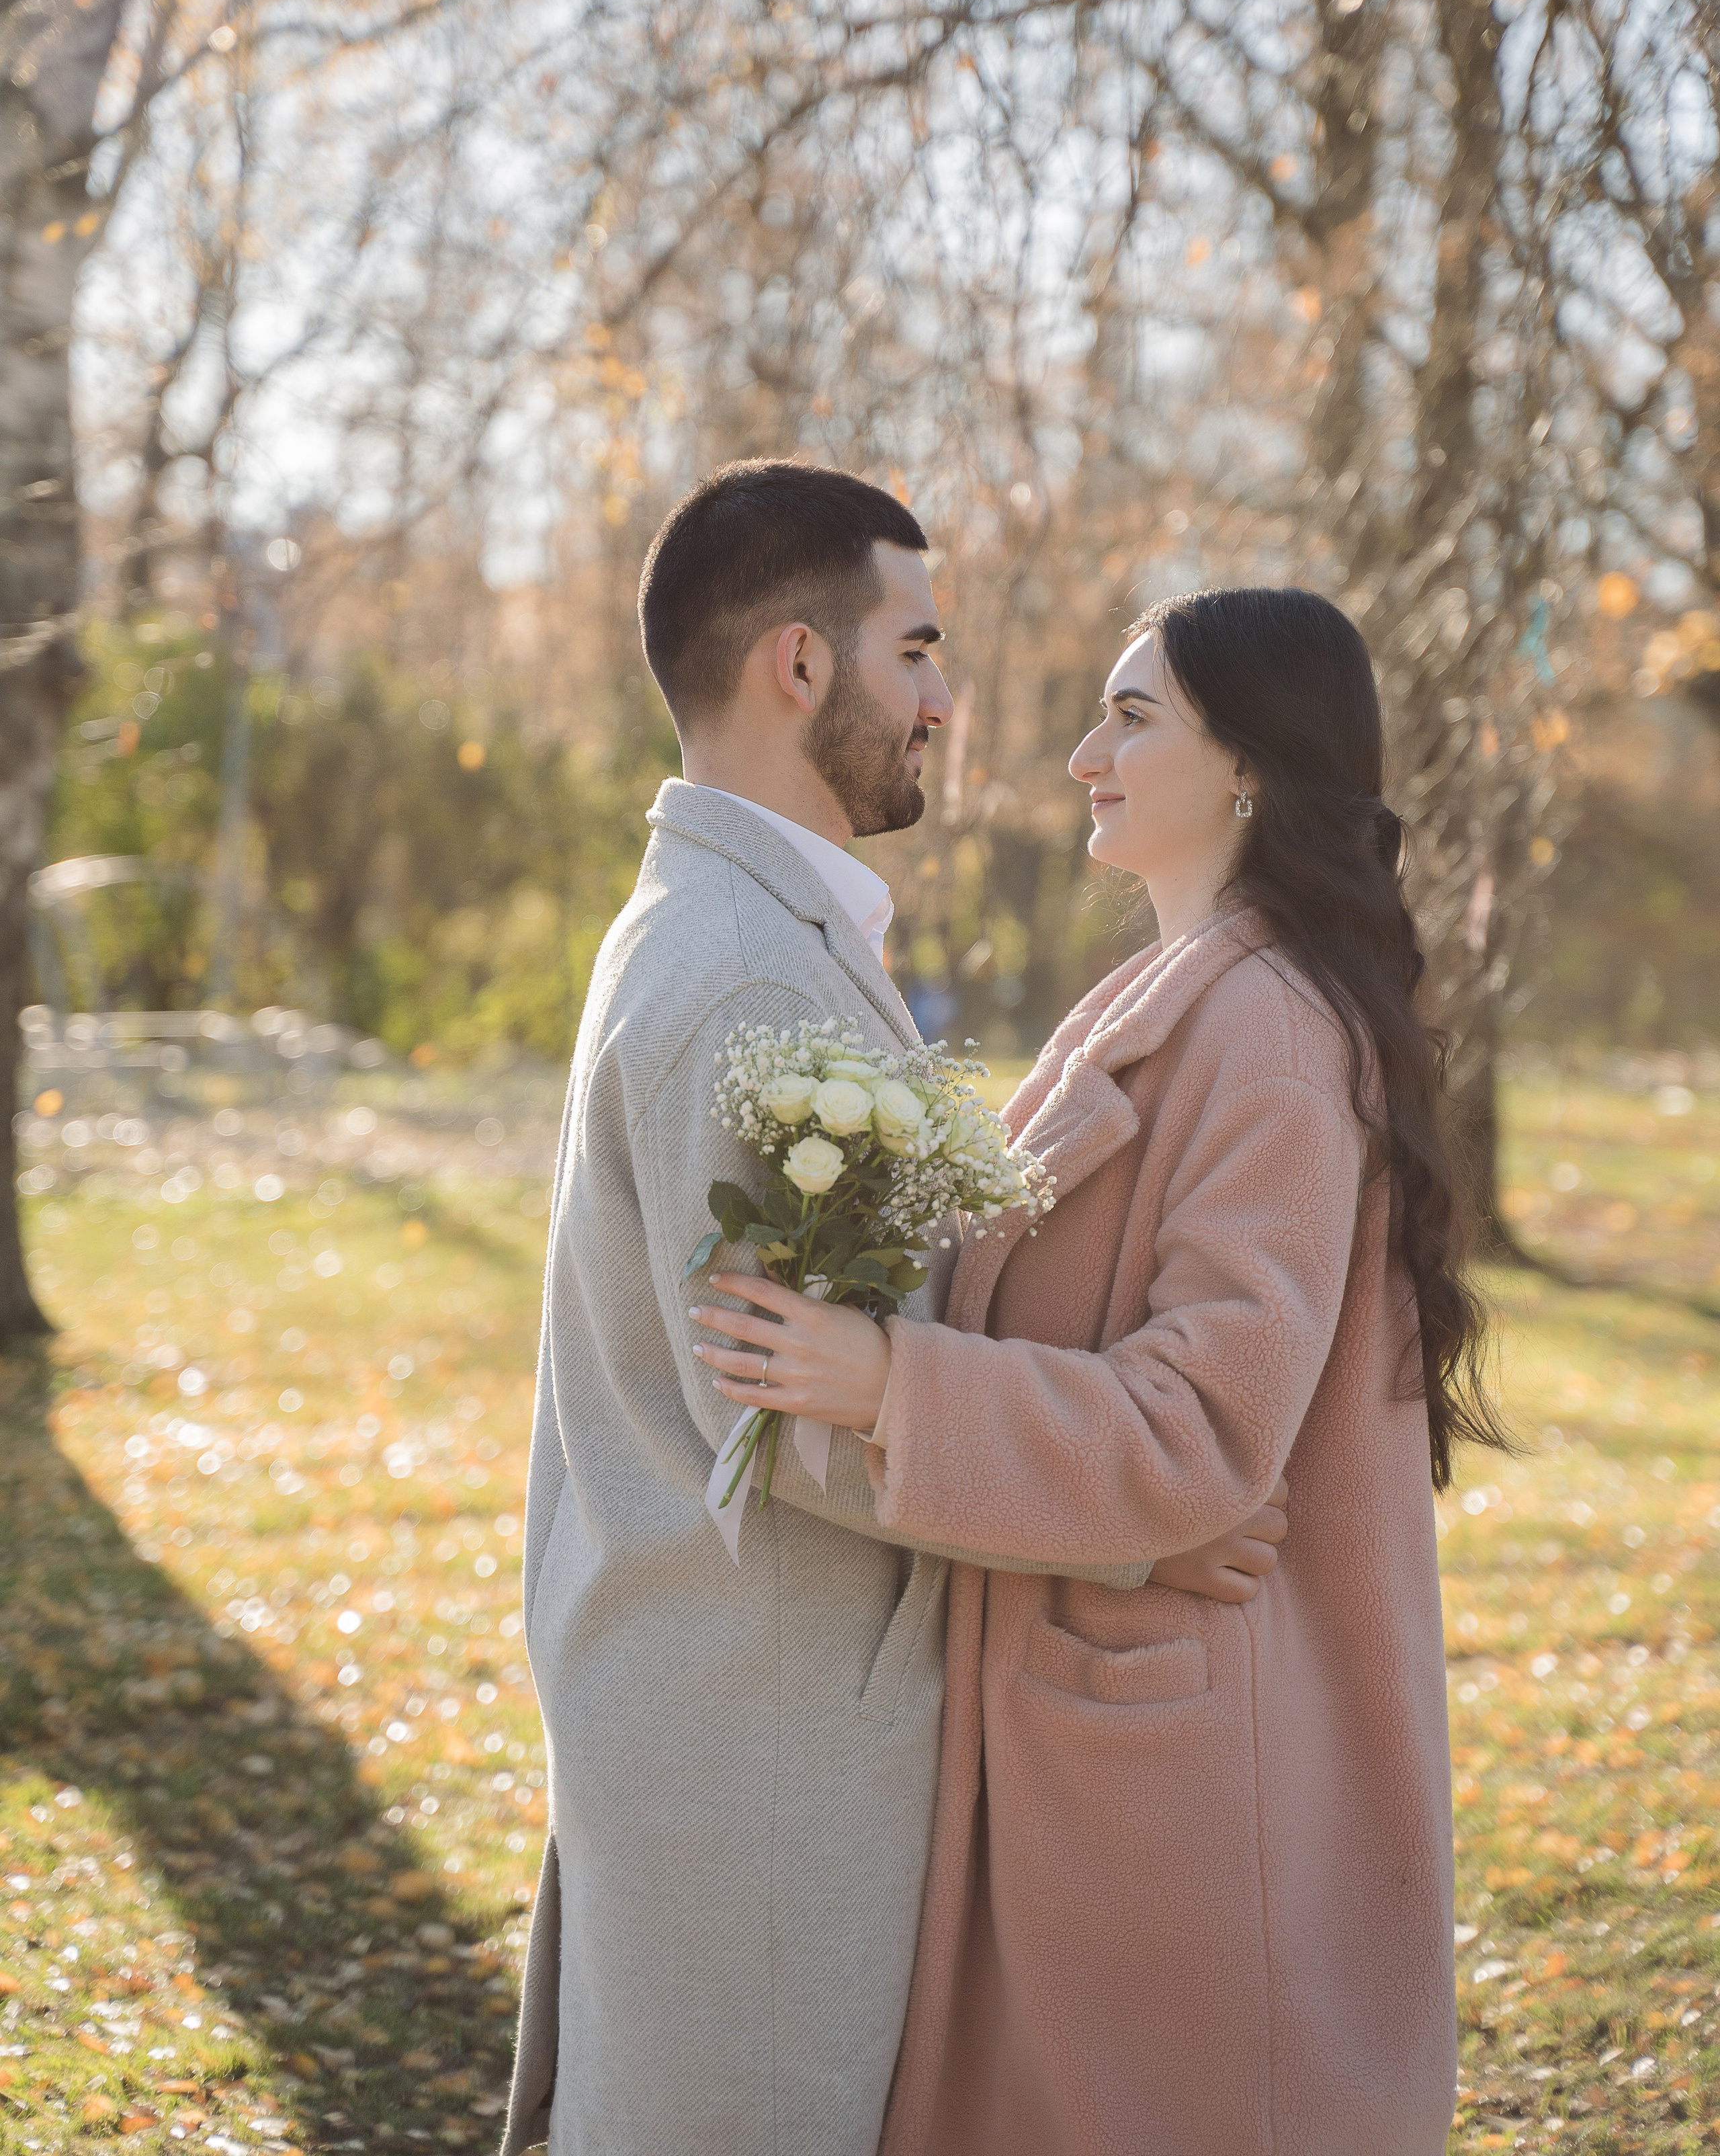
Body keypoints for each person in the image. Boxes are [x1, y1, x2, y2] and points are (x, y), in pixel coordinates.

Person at [501, 466, 1279, 2156]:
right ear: (800, 666)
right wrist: (1136, 1532)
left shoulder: (731, 926)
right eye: (916, 650)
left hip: (720, 1699)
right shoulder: (747, 974)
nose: (946, 699)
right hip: (761, 1740)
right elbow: (783, 1416)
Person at [695, 585, 1508, 2156]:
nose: (1080, 755)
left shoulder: (1263, 1035)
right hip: (1109, 1745)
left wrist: (886, 1384)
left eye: (1130, 719)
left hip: (1191, 1788)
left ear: (1252, 770)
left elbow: (1201, 1426)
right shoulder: (1162, 1002)